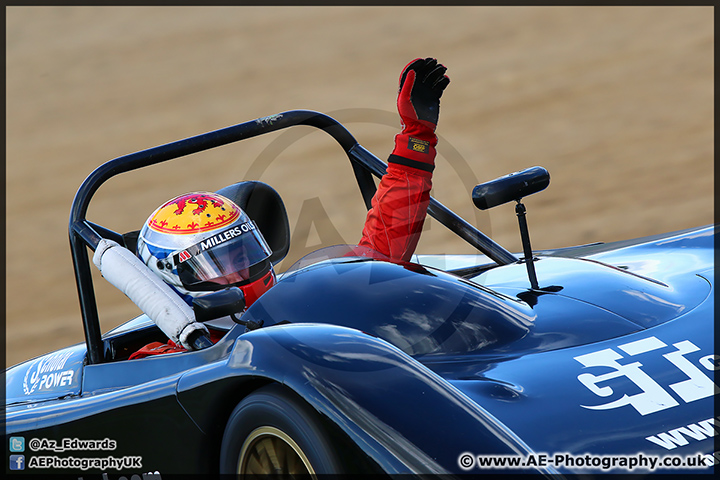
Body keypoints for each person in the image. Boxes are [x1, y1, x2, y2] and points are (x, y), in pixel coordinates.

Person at [130, 57, 450, 359]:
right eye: (220, 267)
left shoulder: (302, 300)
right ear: (174, 284)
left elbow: (382, 248)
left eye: (243, 253)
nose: (242, 272)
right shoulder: (159, 362)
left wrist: (417, 137)